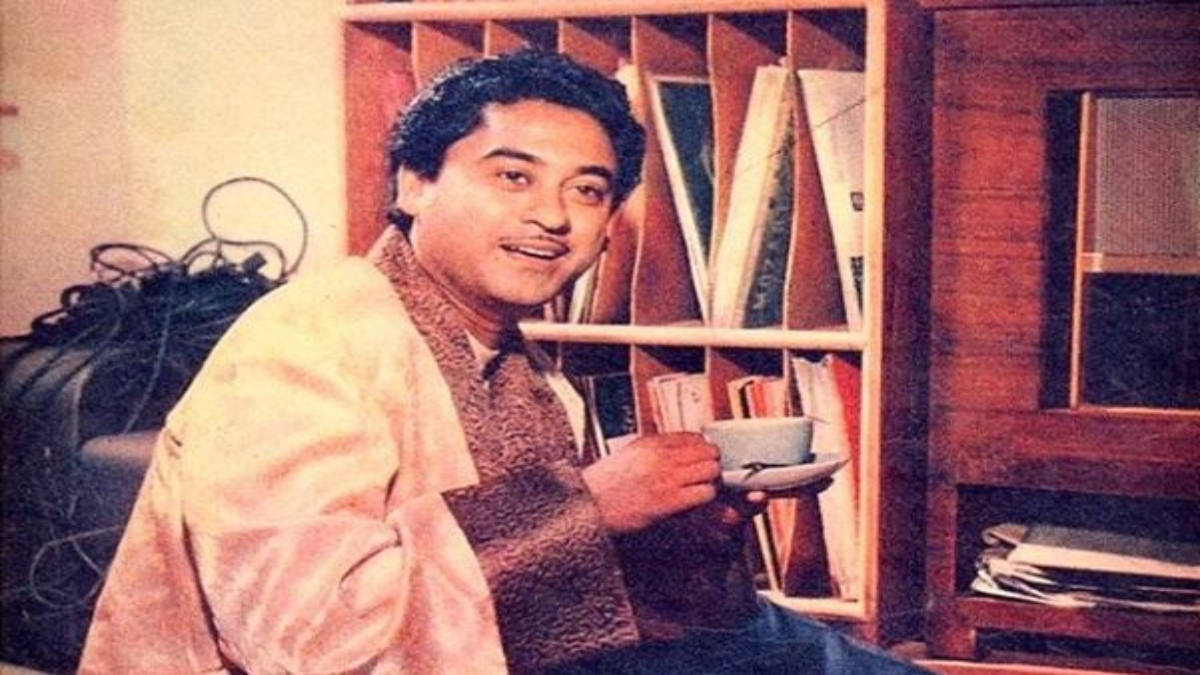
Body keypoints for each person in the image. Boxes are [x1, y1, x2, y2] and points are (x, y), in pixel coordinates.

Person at [80, 49, 925, 674]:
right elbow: (310, 644)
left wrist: (677, 552)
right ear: (415, 184)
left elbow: (544, 611)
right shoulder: (307, 342)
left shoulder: (517, 360)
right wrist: (588, 504)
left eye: (587, 190)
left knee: (807, 653)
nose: (554, 216)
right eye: (513, 177)